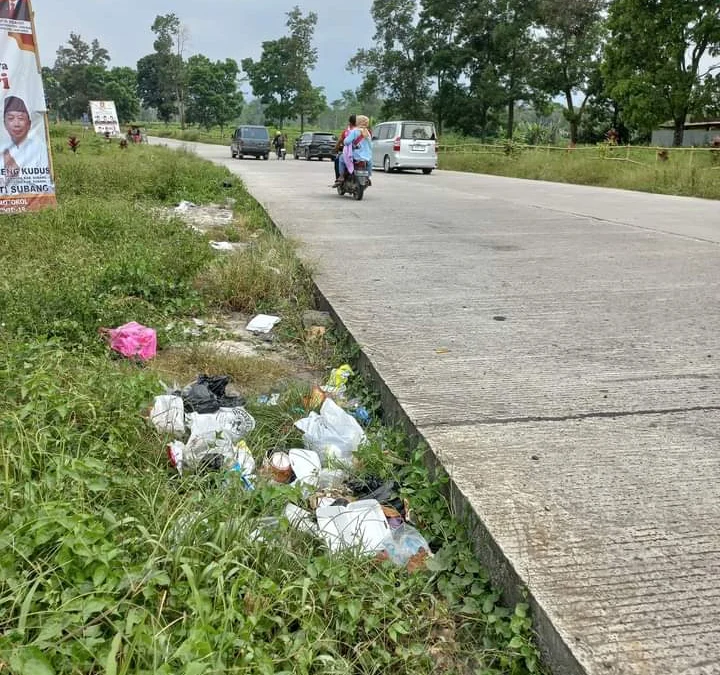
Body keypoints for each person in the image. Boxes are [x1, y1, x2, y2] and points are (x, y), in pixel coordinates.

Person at [1, 96, 52, 190]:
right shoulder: (2, 148)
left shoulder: (39, 148)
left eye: (20, 118)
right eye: (11, 118)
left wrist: (17, 175)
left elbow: (46, 186)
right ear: (4, 123)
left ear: (29, 123)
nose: (16, 124)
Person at [335, 114, 372, 187]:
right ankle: (368, 177)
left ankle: (341, 176)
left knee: (342, 159)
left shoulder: (354, 131)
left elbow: (346, 142)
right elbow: (370, 145)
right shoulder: (368, 132)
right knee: (369, 162)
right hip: (366, 156)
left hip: (355, 155)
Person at [333, 114, 356, 180]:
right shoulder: (363, 131)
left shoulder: (347, 132)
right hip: (361, 154)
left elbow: (339, 142)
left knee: (338, 159)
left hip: (350, 154)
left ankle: (340, 177)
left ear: (350, 122)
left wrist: (335, 149)